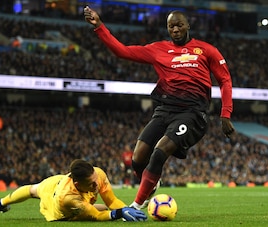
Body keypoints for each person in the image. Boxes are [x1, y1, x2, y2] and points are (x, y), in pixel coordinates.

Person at [84, 6, 235, 209]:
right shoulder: (158, 49)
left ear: (188, 25)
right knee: (137, 159)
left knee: (159, 152)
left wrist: (225, 114)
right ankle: (152, 185)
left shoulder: (206, 50)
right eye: (171, 26)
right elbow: (122, 51)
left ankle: (135, 207)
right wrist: (99, 26)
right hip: (164, 110)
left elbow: (225, 80)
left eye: (179, 25)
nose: (175, 29)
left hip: (191, 113)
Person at [0, 159, 147, 222]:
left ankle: (1, 202)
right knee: (34, 190)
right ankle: (2, 202)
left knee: (106, 207)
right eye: (91, 184)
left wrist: (127, 209)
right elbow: (97, 216)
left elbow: (112, 201)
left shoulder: (97, 175)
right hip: (57, 206)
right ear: (78, 184)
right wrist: (120, 213)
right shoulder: (68, 198)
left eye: (96, 180)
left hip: (60, 181)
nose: (96, 186)